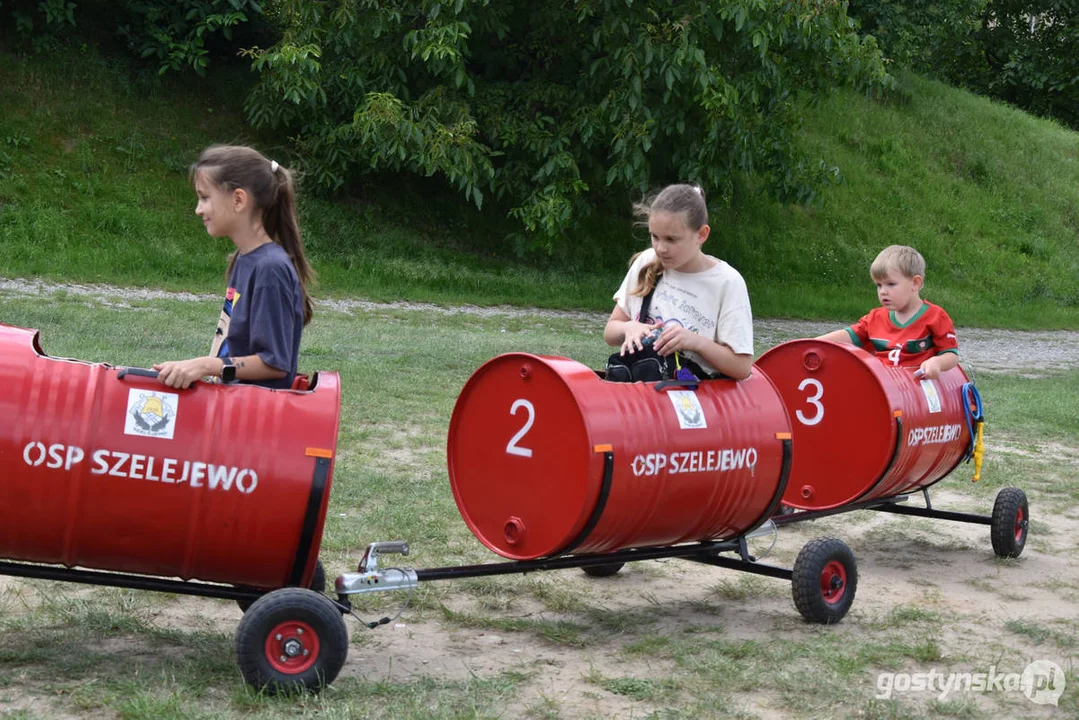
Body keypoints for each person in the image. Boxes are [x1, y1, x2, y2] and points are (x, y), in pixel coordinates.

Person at [154, 145, 314, 390]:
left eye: (205, 197)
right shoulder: (243, 259)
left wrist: (206, 365)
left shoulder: (271, 269)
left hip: (258, 419)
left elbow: (275, 364)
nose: (198, 209)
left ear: (238, 199)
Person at [604, 184, 754, 381]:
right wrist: (628, 328)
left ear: (701, 234)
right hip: (637, 400)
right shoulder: (647, 262)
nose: (661, 248)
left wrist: (695, 342)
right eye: (654, 237)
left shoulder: (727, 282)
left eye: (671, 239)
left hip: (692, 403)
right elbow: (610, 332)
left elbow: (742, 368)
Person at [817, 244, 958, 379]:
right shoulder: (875, 318)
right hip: (884, 388)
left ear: (915, 283)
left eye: (891, 284)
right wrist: (812, 343)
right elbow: (849, 335)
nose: (883, 291)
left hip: (917, 389)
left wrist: (937, 363)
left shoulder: (935, 316)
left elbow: (951, 355)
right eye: (879, 285)